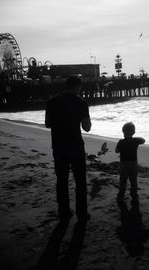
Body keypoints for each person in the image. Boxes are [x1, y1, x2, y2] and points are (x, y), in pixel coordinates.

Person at [45, 75, 91, 222]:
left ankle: (64, 213)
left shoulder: (52, 102)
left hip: (59, 146)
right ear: (78, 86)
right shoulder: (81, 103)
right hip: (76, 146)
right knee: (80, 182)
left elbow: (47, 124)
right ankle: (82, 214)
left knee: (62, 180)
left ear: (66, 86)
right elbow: (87, 127)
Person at [115, 122, 145, 203]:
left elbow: (116, 151)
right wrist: (133, 137)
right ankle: (134, 196)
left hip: (124, 164)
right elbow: (143, 140)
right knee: (133, 181)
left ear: (123, 132)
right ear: (134, 132)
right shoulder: (135, 141)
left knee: (123, 181)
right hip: (133, 164)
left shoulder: (121, 142)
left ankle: (121, 195)